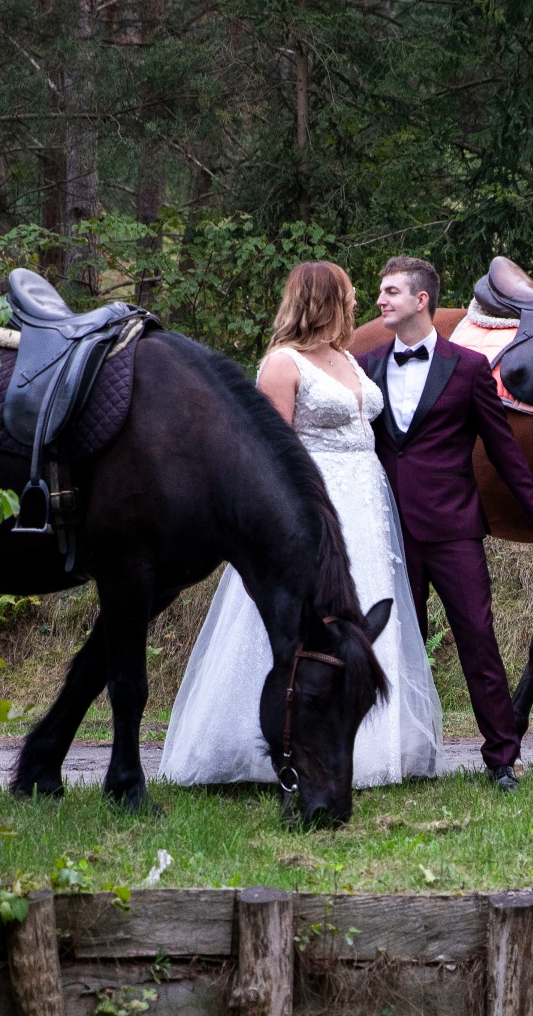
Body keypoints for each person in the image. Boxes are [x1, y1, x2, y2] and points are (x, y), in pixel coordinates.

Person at [158, 262, 443, 789]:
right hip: (315, 504)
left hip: (366, 506)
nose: (356, 303)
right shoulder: (282, 364)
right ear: (323, 300)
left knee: (364, 613)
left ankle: (373, 747)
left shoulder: (347, 358)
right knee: (300, 617)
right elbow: (270, 455)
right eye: (348, 295)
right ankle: (253, 746)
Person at [358, 256, 533, 792]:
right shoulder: (367, 366)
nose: (380, 300)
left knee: (478, 640)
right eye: (381, 291)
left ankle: (502, 758)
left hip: (454, 530)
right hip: (389, 533)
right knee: (394, 643)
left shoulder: (469, 367)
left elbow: (504, 451)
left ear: (420, 299)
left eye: (391, 292)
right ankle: (398, 753)